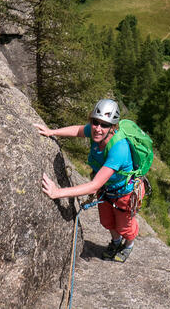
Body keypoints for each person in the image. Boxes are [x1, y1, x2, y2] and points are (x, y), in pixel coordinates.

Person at [34, 98, 144, 263]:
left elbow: (94, 185)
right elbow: (78, 130)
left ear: (113, 128)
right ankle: (115, 242)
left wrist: (57, 192)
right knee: (107, 221)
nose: (98, 128)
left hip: (124, 193)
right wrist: (52, 132)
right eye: (95, 122)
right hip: (107, 189)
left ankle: (128, 244)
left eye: (104, 125)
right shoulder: (95, 132)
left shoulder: (118, 149)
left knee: (124, 226)